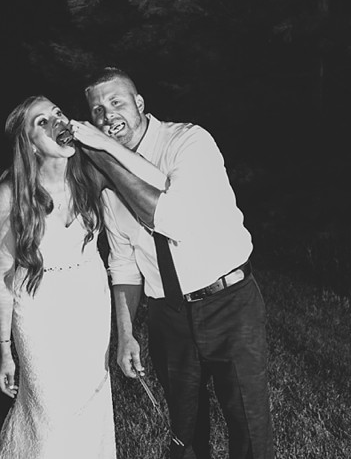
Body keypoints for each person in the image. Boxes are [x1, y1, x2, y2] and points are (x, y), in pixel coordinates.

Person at [70, 67, 274, 459]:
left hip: (229, 304)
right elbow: (123, 262)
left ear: (139, 103)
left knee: (248, 425)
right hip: (168, 314)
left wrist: (107, 154)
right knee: (185, 429)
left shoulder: (189, 142)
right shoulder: (108, 180)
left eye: (116, 102)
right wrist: (126, 334)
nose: (108, 115)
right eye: (97, 110)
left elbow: (170, 217)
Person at [0, 95, 116, 459]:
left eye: (57, 113)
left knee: (88, 407)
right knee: (50, 418)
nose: (57, 121)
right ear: (30, 145)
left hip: (90, 301)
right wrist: (5, 350)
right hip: (39, 309)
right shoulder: (11, 193)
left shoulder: (91, 174)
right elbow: (3, 273)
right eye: (41, 122)